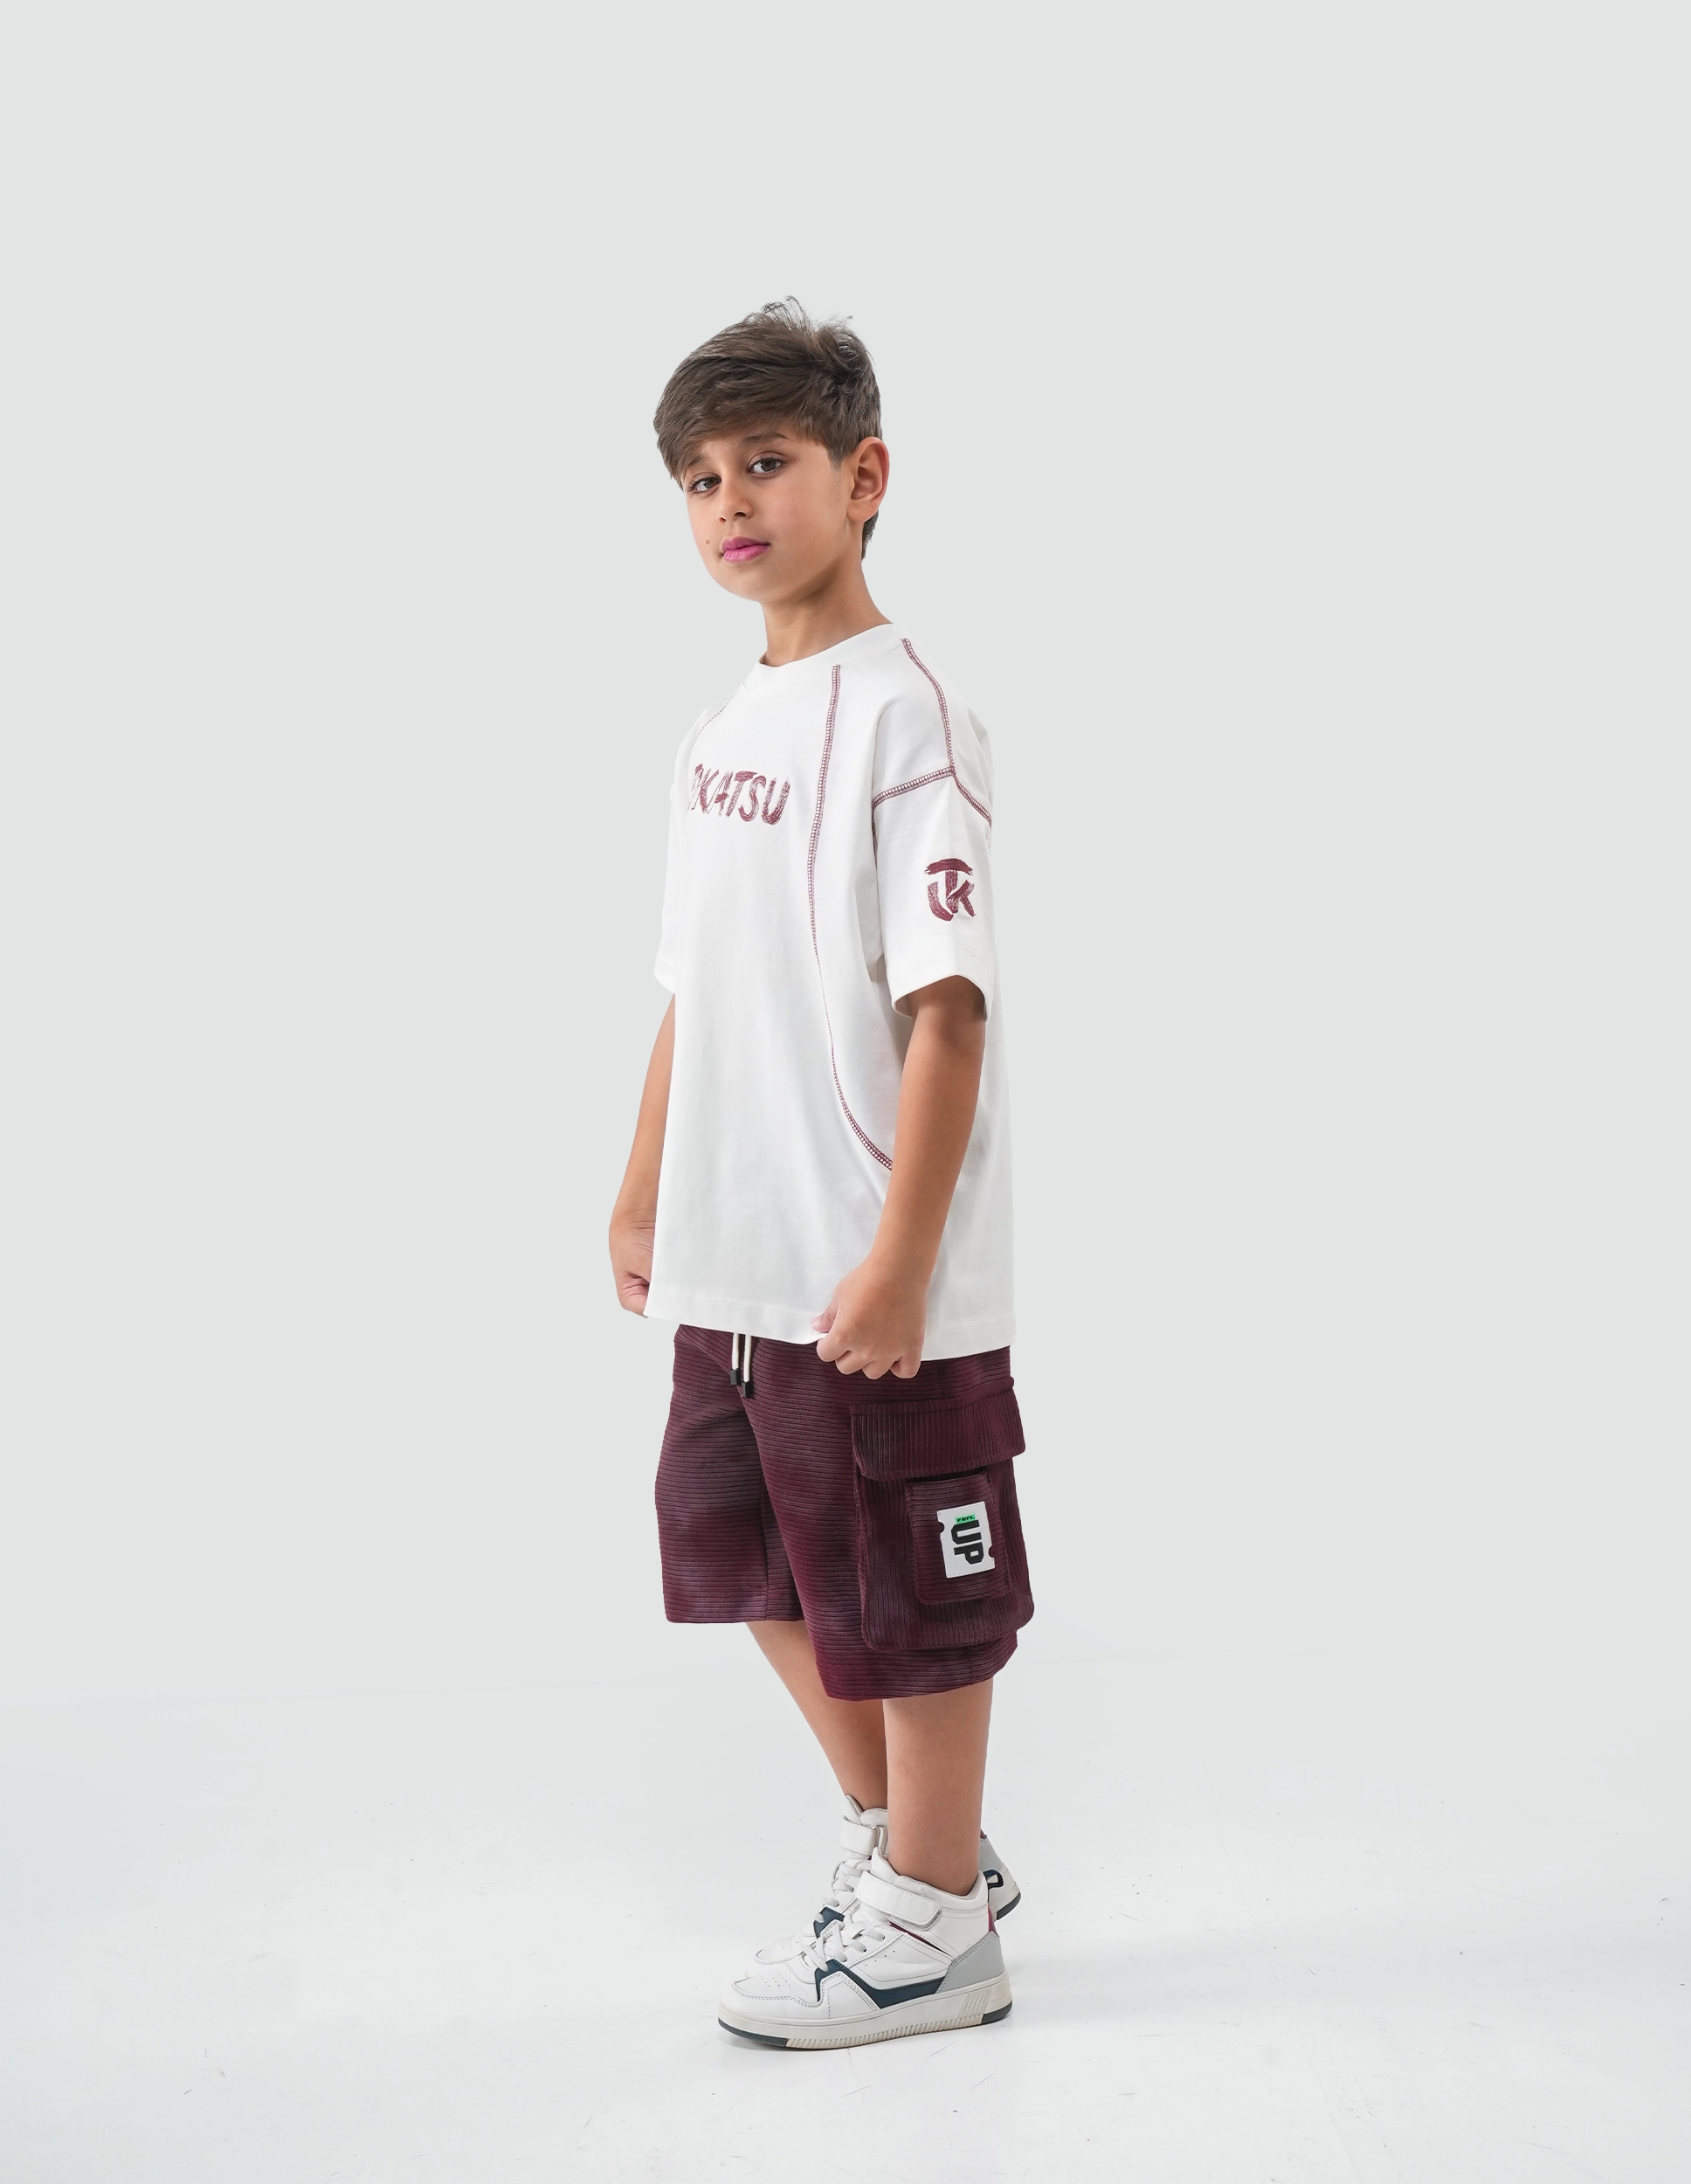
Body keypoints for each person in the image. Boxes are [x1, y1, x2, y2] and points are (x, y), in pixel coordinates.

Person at [609, 301, 1033, 2049]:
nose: (732, 500)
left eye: (767, 462)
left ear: (863, 478)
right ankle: (926, 1854)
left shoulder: (907, 716)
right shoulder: (721, 727)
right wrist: (643, 1181)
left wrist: (903, 1258)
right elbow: (691, 985)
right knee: (745, 1558)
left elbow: (949, 1012)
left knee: (907, 1593)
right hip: (734, 1251)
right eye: (701, 477)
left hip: (867, 1257)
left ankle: (936, 1927)